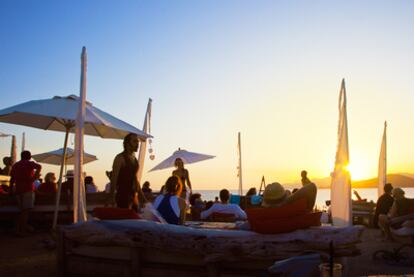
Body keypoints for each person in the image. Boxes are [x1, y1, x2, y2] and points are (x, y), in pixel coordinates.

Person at [109, 133, 146, 209]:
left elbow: (135, 178)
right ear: (127, 143)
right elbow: (114, 179)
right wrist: (111, 197)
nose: (137, 144)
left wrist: (142, 196)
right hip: (122, 196)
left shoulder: (134, 158)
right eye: (135, 141)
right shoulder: (119, 158)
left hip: (133, 196)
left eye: (138, 142)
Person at [9, 151, 41, 235]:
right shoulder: (29, 163)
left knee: (22, 211)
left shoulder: (15, 165)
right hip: (28, 189)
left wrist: (10, 190)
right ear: (29, 156)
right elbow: (39, 166)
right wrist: (35, 177)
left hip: (18, 190)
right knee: (25, 211)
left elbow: (12, 179)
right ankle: (22, 230)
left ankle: (18, 229)